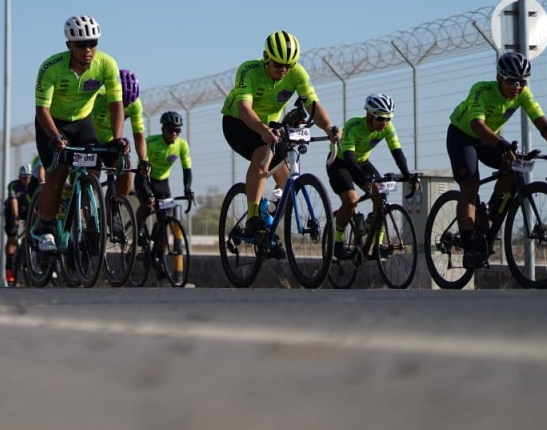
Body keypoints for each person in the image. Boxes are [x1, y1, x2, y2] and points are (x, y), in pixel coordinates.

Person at [446, 51, 547, 268]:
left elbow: (541, 122)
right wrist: (501, 144)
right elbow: (477, 125)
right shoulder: (482, 90)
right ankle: (469, 248)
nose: (517, 86)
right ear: (499, 78)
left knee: (514, 166)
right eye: (511, 81)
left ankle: (490, 215)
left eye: (522, 82)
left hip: (488, 138)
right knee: (470, 186)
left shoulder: (523, 94)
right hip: (462, 136)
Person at [221, 30, 341, 249]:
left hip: (273, 127)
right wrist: (263, 130)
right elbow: (244, 109)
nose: (284, 70)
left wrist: (330, 127)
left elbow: (313, 105)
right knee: (262, 151)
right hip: (238, 122)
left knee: (287, 182)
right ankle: (253, 214)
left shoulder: (296, 73)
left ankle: (268, 226)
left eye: (289, 65)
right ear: (266, 57)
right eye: (278, 65)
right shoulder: (248, 70)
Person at [33, 15, 128, 253]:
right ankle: (45, 227)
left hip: (83, 122)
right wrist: (55, 137)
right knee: (57, 173)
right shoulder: (51, 67)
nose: (88, 49)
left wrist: (117, 138)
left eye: (92, 43)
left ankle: (87, 220)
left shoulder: (106, 64)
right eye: (81, 44)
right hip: (52, 124)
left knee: (93, 174)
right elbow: (41, 110)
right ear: (69, 46)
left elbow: (116, 104)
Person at [326, 93, 418, 259]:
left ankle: (377, 245)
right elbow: (349, 158)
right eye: (381, 119)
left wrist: (408, 175)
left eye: (388, 119)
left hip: (362, 162)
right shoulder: (353, 126)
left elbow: (397, 152)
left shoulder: (388, 128)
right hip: (341, 163)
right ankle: (338, 243)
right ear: (369, 115)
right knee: (351, 199)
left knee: (380, 195)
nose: (385, 123)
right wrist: (364, 181)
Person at [135, 110, 194, 243]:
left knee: (166, 215)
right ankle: (138, 226)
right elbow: (142, 168)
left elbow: (187, 169)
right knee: (148, 204)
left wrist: (187, 189)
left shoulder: (182, 145)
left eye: (177, 131)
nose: (174, 133)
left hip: (162, 182)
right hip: (145, 179)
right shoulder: (150, 142)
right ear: (163, 129)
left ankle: (159, 255)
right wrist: (147, 194)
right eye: (170, 130)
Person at [92, 69, 147, 197]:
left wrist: (143, 160)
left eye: (127, 105)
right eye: (122, 103)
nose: (123, 109)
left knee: (127, 169)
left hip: (111, 142)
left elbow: (139, 136)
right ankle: (82, 210)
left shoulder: (135, 105)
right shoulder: (97, 97)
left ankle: (114, 209)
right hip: (90, 140)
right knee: (92, 176)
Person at [2, 164, 40, 285]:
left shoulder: (34, 186)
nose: (26, 180)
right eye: (23, 177)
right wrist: (15, 217)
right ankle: (9, 267)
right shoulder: (14, 185)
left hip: (28, 211)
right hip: (13, 212)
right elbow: (13, 201)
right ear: (19, 177)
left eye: (28, 177)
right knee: (12, 238)